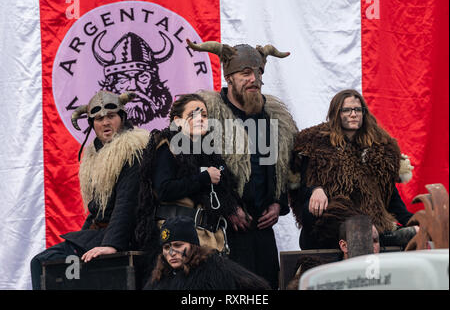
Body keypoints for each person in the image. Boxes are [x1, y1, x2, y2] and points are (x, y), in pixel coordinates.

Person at [186, 39, 299, 289]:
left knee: (267, 286)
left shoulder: (273, 117)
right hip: (224, 227)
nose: (254, 79)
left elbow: (280, 169)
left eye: (258, 72)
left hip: (261, 226)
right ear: (229, 78)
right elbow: (196, 169)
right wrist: (227, 207)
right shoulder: (208, 117)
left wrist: (277, 204)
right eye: (245, 73)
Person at [30, 90, 149, 289]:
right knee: (48, 263)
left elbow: (127, 203)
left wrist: (112, 245)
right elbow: (97, 210)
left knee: (42, 262)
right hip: (102, 235)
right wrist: (82, 240)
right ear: (92, 124)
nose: (105, 123)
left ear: (122, 117)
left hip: (126, 236)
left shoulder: (132, 150)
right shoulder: (96, 154)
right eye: (99, 118)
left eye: (111, 116)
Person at [290, 89, 416, 250]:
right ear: (337, 113)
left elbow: (389, 196)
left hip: (371, 223)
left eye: (358, 109)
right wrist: (316, 189)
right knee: (315, 208)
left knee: (378, 224)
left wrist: (414, 222)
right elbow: (301, 188)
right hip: (328, 229)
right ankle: (383, 237)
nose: (353, 114)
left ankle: (381, 236)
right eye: (347, 110)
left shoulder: (380, 149)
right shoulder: (315, 144)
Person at [135, 94, 241, 257]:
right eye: (193, 115)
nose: (200, 119)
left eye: (204, 115)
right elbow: (164, 189)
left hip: (210, 238)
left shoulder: (209, 152)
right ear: (177, 121)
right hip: (177, 238)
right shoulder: (167, 147)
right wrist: (204, 178)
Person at [144, 216, 270, 290]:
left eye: (178, 245)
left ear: (192, 246)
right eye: (166, 247)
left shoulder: (216, 271)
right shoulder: (159, 278)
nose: (171, 252)